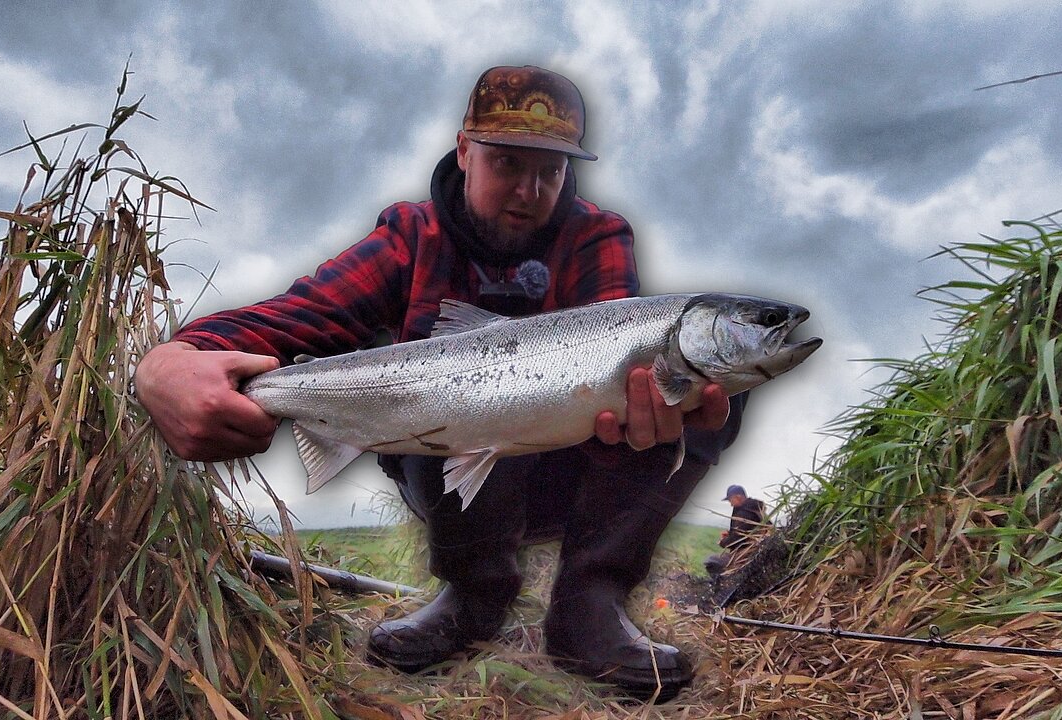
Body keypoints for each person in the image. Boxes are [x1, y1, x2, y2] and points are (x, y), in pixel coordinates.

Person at [134, 65, 746, 702]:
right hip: (448, 474)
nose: (530, 190)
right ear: (464, 151)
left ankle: (588, 603)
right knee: (450, 392)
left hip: (578, 471)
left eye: (551, 170)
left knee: (708, 385)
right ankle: (473, 595)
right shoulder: (411, 236)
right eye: (508, 162)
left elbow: (613, 385)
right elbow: (304, 314)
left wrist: (650, 413)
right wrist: (174, 359)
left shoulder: (597, 236)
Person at [705, 485, 766, 576]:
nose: (731, 504)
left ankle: (722, 586)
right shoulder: (756, 509)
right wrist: (730, 534)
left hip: (747, 555)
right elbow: (744, 531)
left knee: (711, 561)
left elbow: (737, 539)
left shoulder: (744, 513)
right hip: (755, 551)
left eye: (731, 500)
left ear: (738, 497)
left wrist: (723, 542)